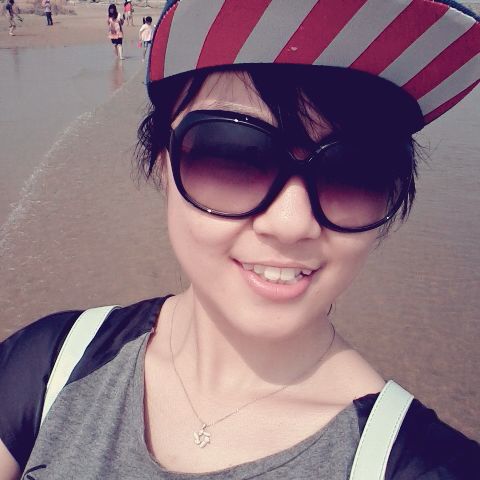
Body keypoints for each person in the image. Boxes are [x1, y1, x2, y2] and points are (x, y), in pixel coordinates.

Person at [1, 0, 479, 478]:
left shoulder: (424, 465)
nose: (291, 223)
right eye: (234, 154)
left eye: (353, 170)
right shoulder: (49, 365)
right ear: (163, 164)